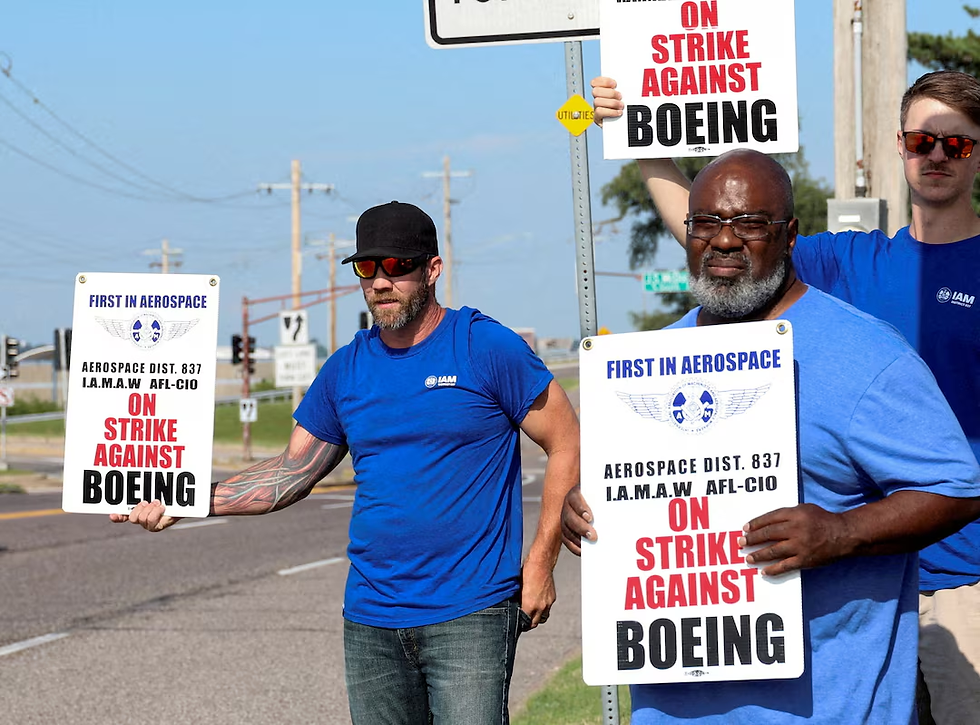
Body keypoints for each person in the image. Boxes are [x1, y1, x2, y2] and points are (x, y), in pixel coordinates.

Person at [591, 70, 980, 724]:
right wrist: (637, 134)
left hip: (958, 577)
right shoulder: (851, 261)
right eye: (920, 140)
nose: (935, 155)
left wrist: (840, 530)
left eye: (957, 145)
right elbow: (723, 228)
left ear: (789, 236)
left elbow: (956, 482)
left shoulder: (862, 346)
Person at [111, 200, 581, 725]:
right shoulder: (347, 369)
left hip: (470, 611)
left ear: (432, 269)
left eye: (398, 266)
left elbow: (565, 441)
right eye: (367, 267)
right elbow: (290, 474)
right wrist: (183, 498)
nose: (381, 282)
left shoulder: (484, 346)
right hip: (371, 617)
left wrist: (540, 564)